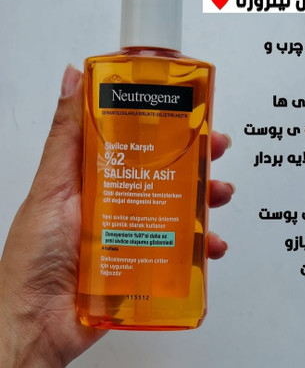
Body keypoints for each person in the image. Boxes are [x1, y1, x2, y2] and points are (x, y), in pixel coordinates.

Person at [0, 65, 233, 367]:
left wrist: (27, 335)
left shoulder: (193, 73)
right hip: (97, 282)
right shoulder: (105, 70)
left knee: (193, 195)